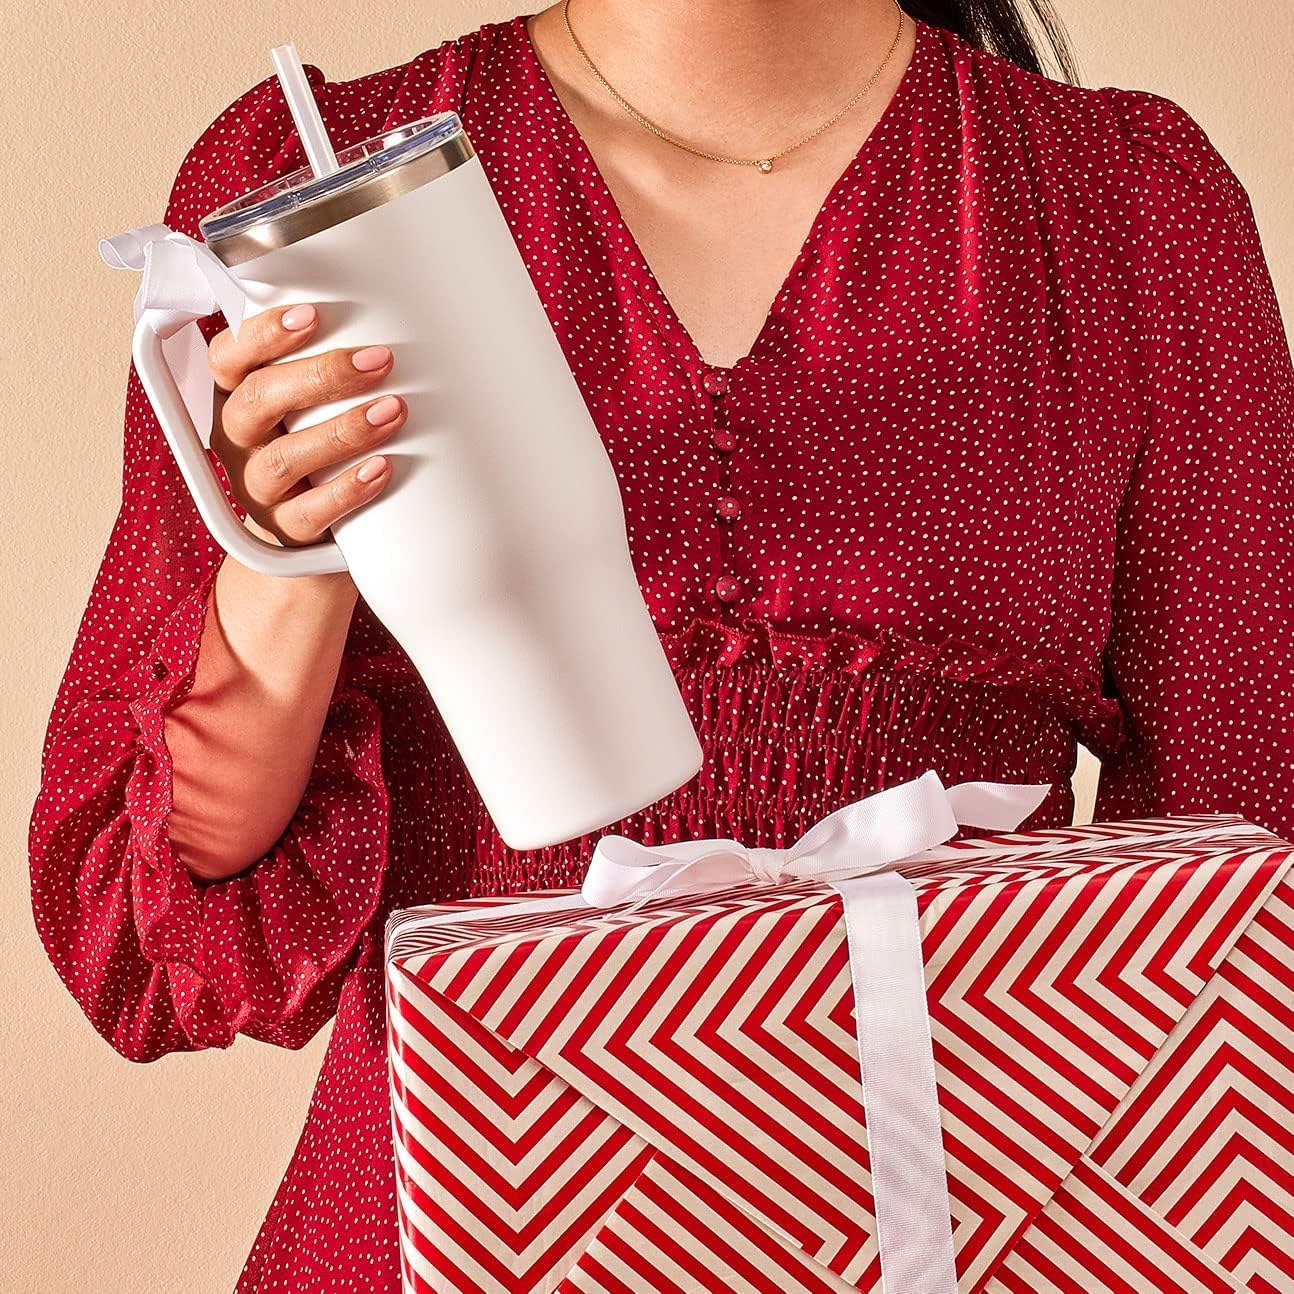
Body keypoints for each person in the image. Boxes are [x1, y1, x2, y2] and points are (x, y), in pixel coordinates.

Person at [28, 0, 1294, 1288]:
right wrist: (290, 553)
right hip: (471, 1207)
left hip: (980, 1198)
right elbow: (147, 939)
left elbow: (1249, 843)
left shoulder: (1130, 202)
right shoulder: (309, 186)